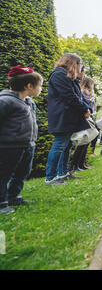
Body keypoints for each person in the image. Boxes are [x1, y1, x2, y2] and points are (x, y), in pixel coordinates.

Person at [0, 66, 43, 214]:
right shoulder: (6, 101)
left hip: (27, 144)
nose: (41, 89)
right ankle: (1, 203)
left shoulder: (30, 102)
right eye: (40, 86)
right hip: (9, 146)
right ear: (29, 86)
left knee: (23, 171)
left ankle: (13, 196)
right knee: (4, 173)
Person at [45, 53, 92, 186]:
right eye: (79, 64)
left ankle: (63, 173)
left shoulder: (69, 77)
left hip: (69, 117)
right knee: (59, 145)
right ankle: (51, 178)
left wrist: (87, 108)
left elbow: (79, 97)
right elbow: (69, 97)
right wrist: (84, 109)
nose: (80, 67)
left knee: (67, 146)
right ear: (73, 63)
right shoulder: (59, 75)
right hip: (62, 117)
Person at [71, 75, 96, 172]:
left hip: (89, 117)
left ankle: (81, 164)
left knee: (86, 142)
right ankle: (75, 165)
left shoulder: (89, 94)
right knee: (82, 142)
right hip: (83, 119)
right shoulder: (83, 93)